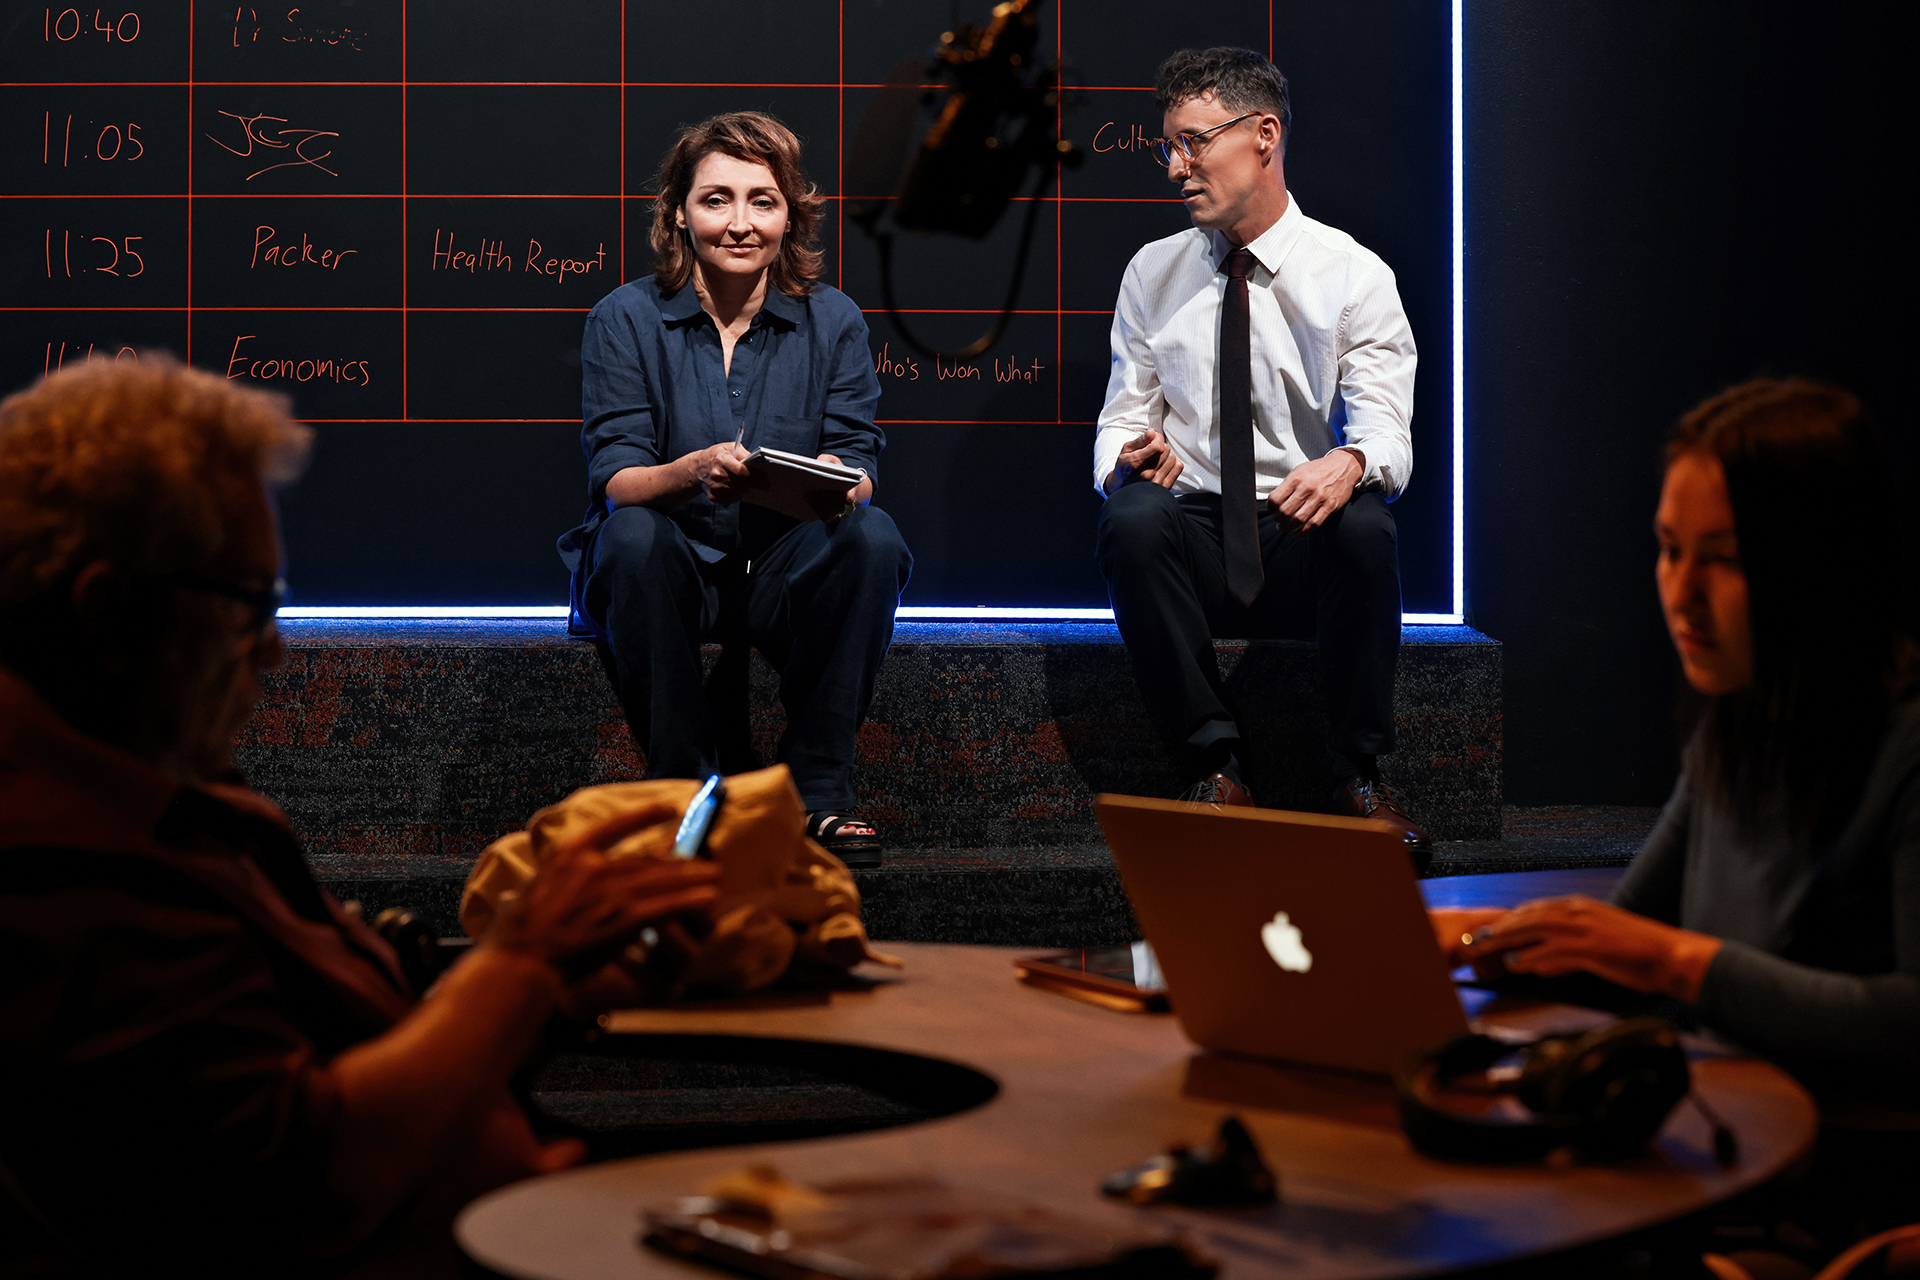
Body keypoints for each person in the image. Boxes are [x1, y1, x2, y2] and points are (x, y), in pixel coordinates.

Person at [0, 357, 722, 1277]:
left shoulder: (163, 794)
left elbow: (345, 1046)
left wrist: (555, 991)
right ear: (107, 614)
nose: (269, 654)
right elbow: (308, 1186)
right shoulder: (60, 868)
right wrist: (523, 963)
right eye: (247, 608)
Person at [1432, 379, 1920, 1101]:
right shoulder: (1734, 720)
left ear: (1822, 565)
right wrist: (1472, 939)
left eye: (1721, 559)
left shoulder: (1905, 745)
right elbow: (1625, 943)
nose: (1680, 594)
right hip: (1729, 1127)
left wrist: (1677, 962)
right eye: (1668, 549)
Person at [1091, 47, 1428, 857]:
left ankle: (1358, 775)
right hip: (1198, 533)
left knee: (1367, 525)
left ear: (1263, 136)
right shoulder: (1153, 271)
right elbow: (1118, 419)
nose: (1176, 167)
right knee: (1132, 518)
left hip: (1295, 531)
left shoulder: (1353, 274)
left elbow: (1388, 432)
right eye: (1168, 146)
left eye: (1193, 141)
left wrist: (1349, 463)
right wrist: (1131, 455)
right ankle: (1215, 767)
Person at [560, 111, 911, 869]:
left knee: (874, 535)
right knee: (629, 535)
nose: (740, 223)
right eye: (717, 200)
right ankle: (680, 794)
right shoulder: (624, 317)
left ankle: (818, 796)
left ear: (791, 216)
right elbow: (617, 480)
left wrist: (832, 484)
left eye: (763, 200)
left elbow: (857, 459)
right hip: (669, 567)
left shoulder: (835, 319)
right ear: (679, 215)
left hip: (782, 568)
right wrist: (693, 469)